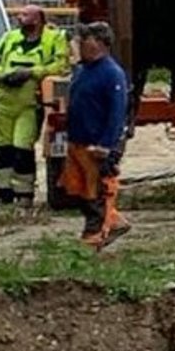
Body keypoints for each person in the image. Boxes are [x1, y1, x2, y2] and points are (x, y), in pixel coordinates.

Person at [58, 22, 131, 252]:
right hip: (78, 142)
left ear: (99, 43)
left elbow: (117, 114)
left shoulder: (111, 73)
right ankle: (114, 222)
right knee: (79, 190)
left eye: (84, 40)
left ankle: (93, 239)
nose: (79, 44)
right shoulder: (82, 70)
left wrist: (106, 145)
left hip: (96, 145)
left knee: (96, 193)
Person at [0, 4, 69, 209]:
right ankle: (2, 194)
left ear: (38, 19)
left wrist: (31, 73)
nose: (19, 17)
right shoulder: (9, 38)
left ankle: (24, 195)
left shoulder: (54, 39)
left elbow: (60, 66)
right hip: (3, 102)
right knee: (1, 149)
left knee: (22, 147)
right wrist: (4, 75)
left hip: (29, 105)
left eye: (25, 15)